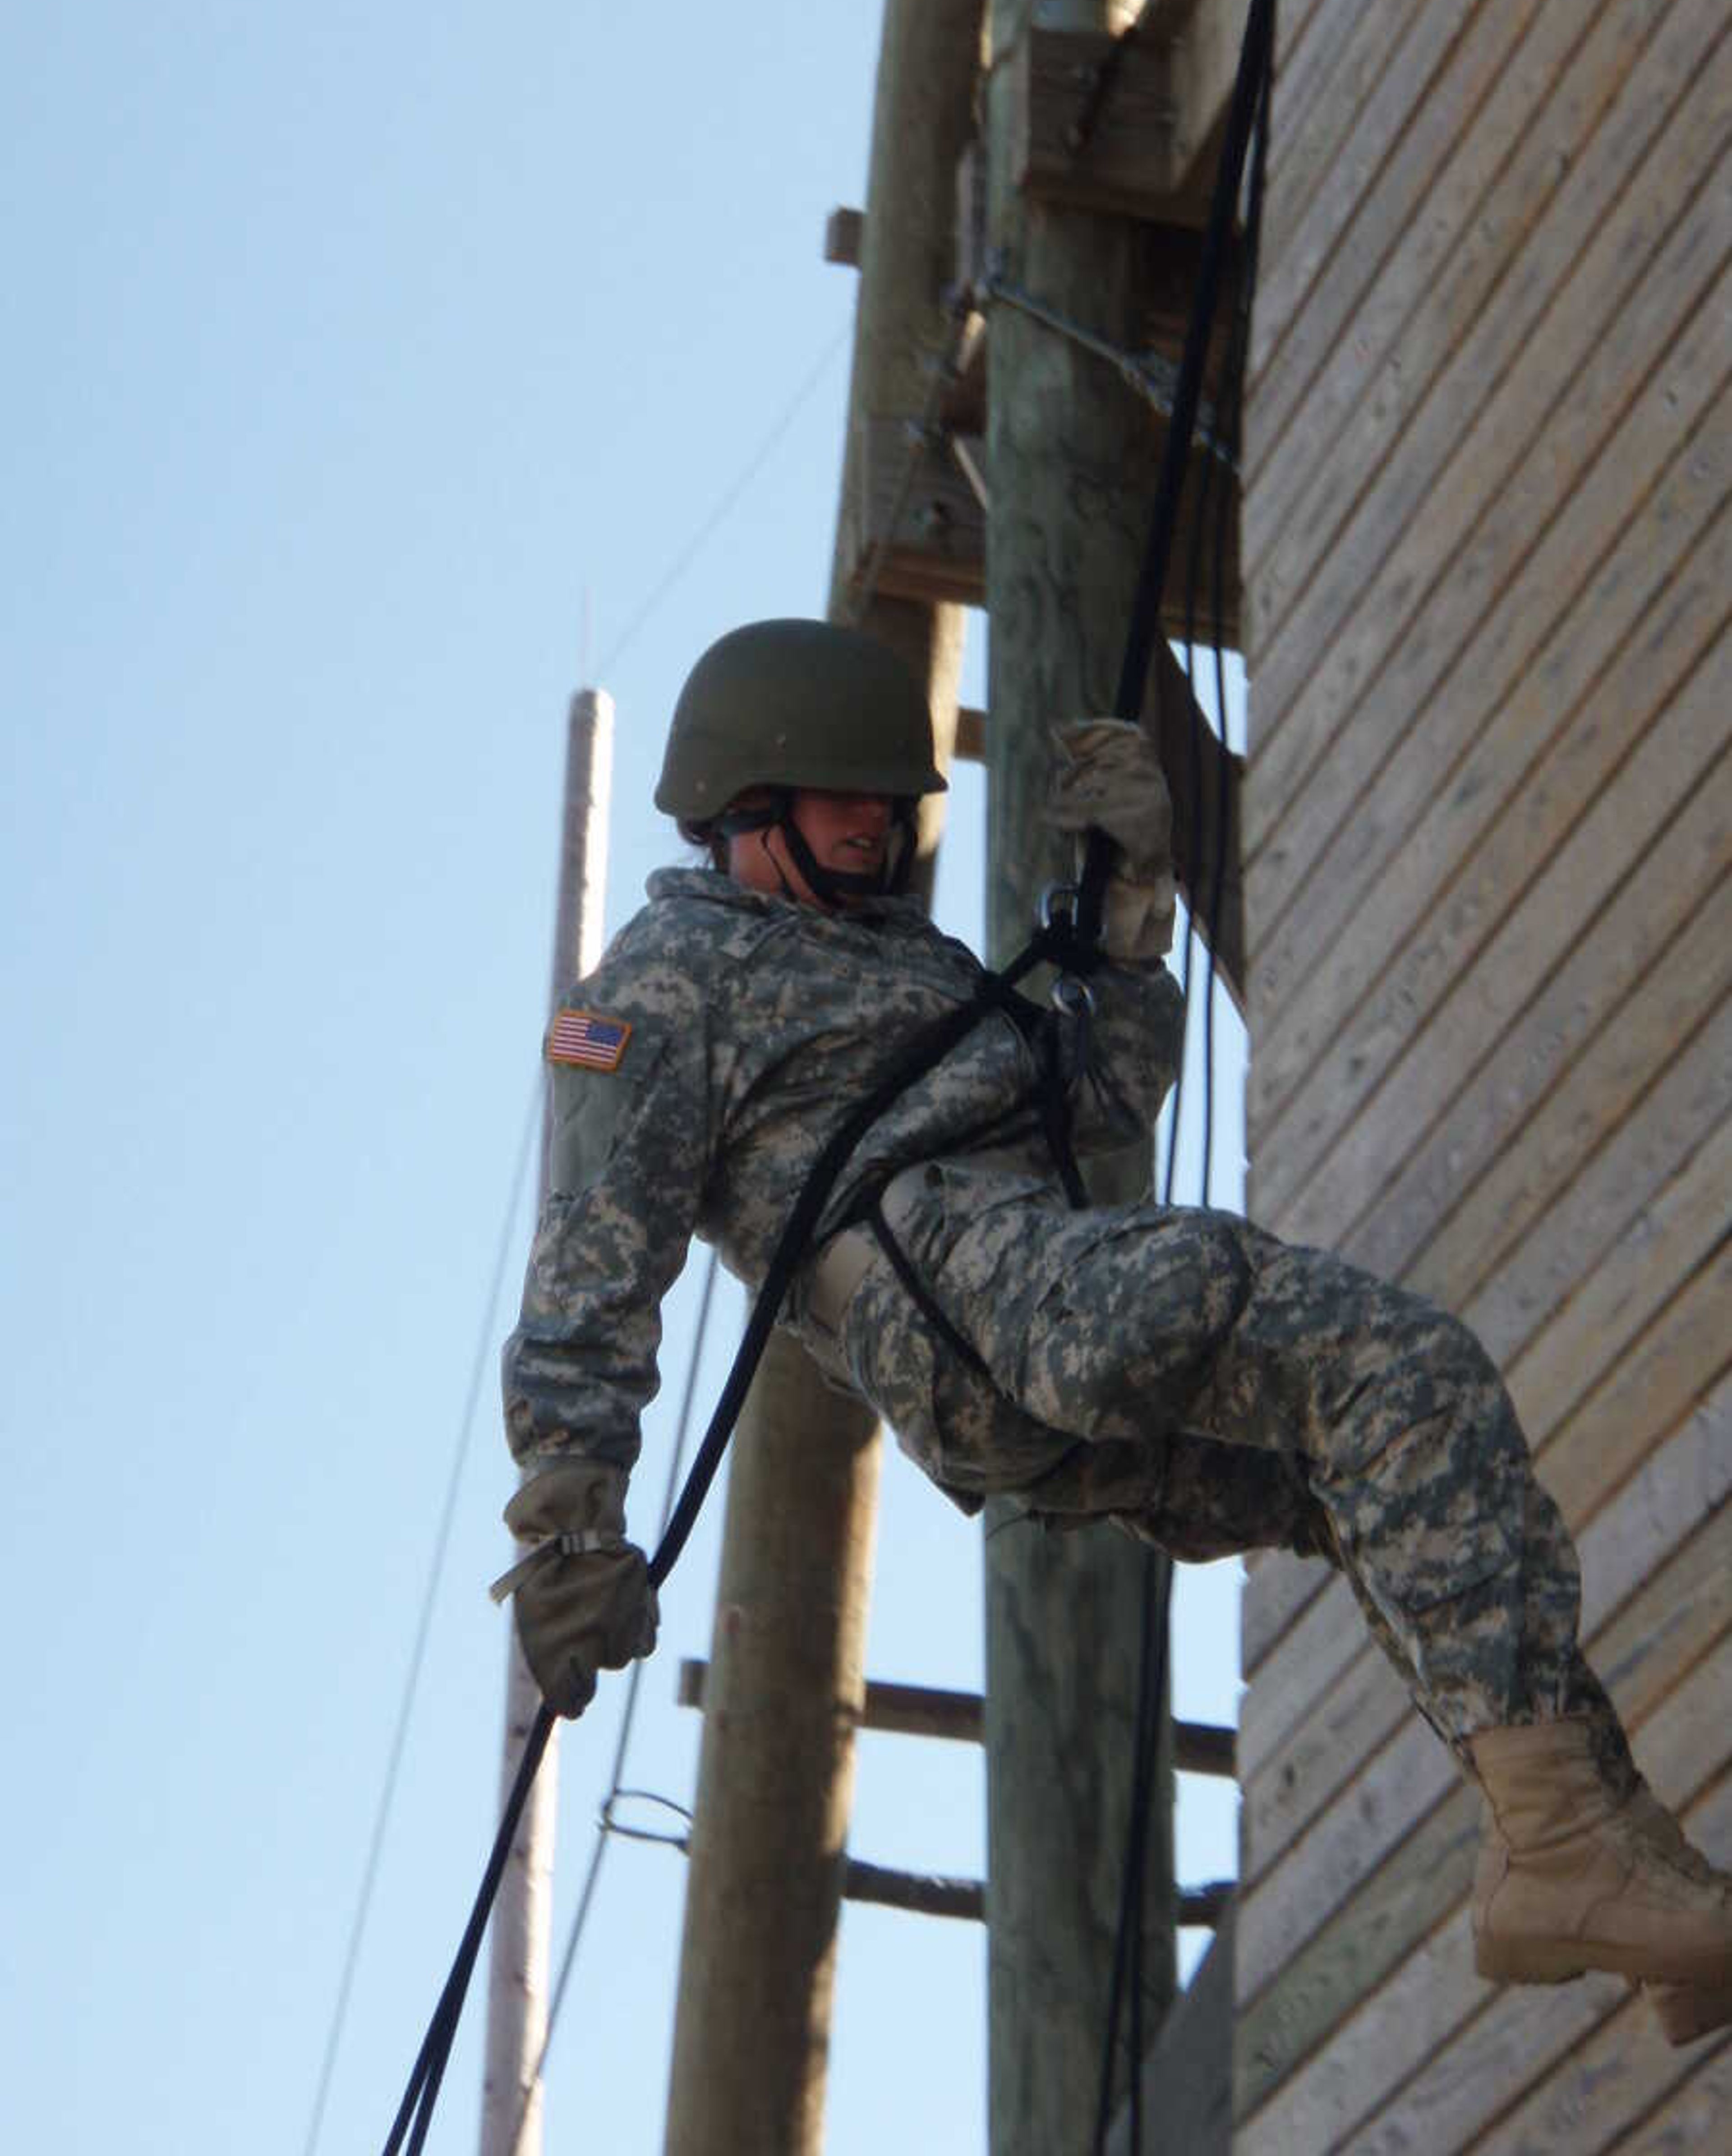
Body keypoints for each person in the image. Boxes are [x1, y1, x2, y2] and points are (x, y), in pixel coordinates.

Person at [497, 618, 1730, 2044]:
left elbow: (1095, 1109)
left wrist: (1129, 906)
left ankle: (1602, 1857)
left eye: (887, 798)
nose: (874, 823)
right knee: (1398, 1362)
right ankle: (1564, 1852)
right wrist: (572, 1526)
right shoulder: (659, 981)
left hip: (1030, 1322)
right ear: (744, 806)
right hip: (970, 1289)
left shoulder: (911, 956)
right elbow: (593, 1262)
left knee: (1379, 1475)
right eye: (840, 795)